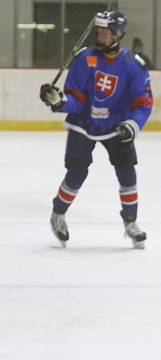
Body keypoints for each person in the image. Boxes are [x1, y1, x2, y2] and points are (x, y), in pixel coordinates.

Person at [39, 10, 152, 249]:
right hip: (83, 124)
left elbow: (143, 103)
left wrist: (132, 124)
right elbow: (76, 99)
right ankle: (57, 214)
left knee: (127, 171)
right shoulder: (84, 58)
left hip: (116, 125)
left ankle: (131, 223)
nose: (100, 35)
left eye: (105, 32)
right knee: (77, 172)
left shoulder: (134, 65)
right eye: (98, 31)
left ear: (118, 34)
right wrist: (59, 102)